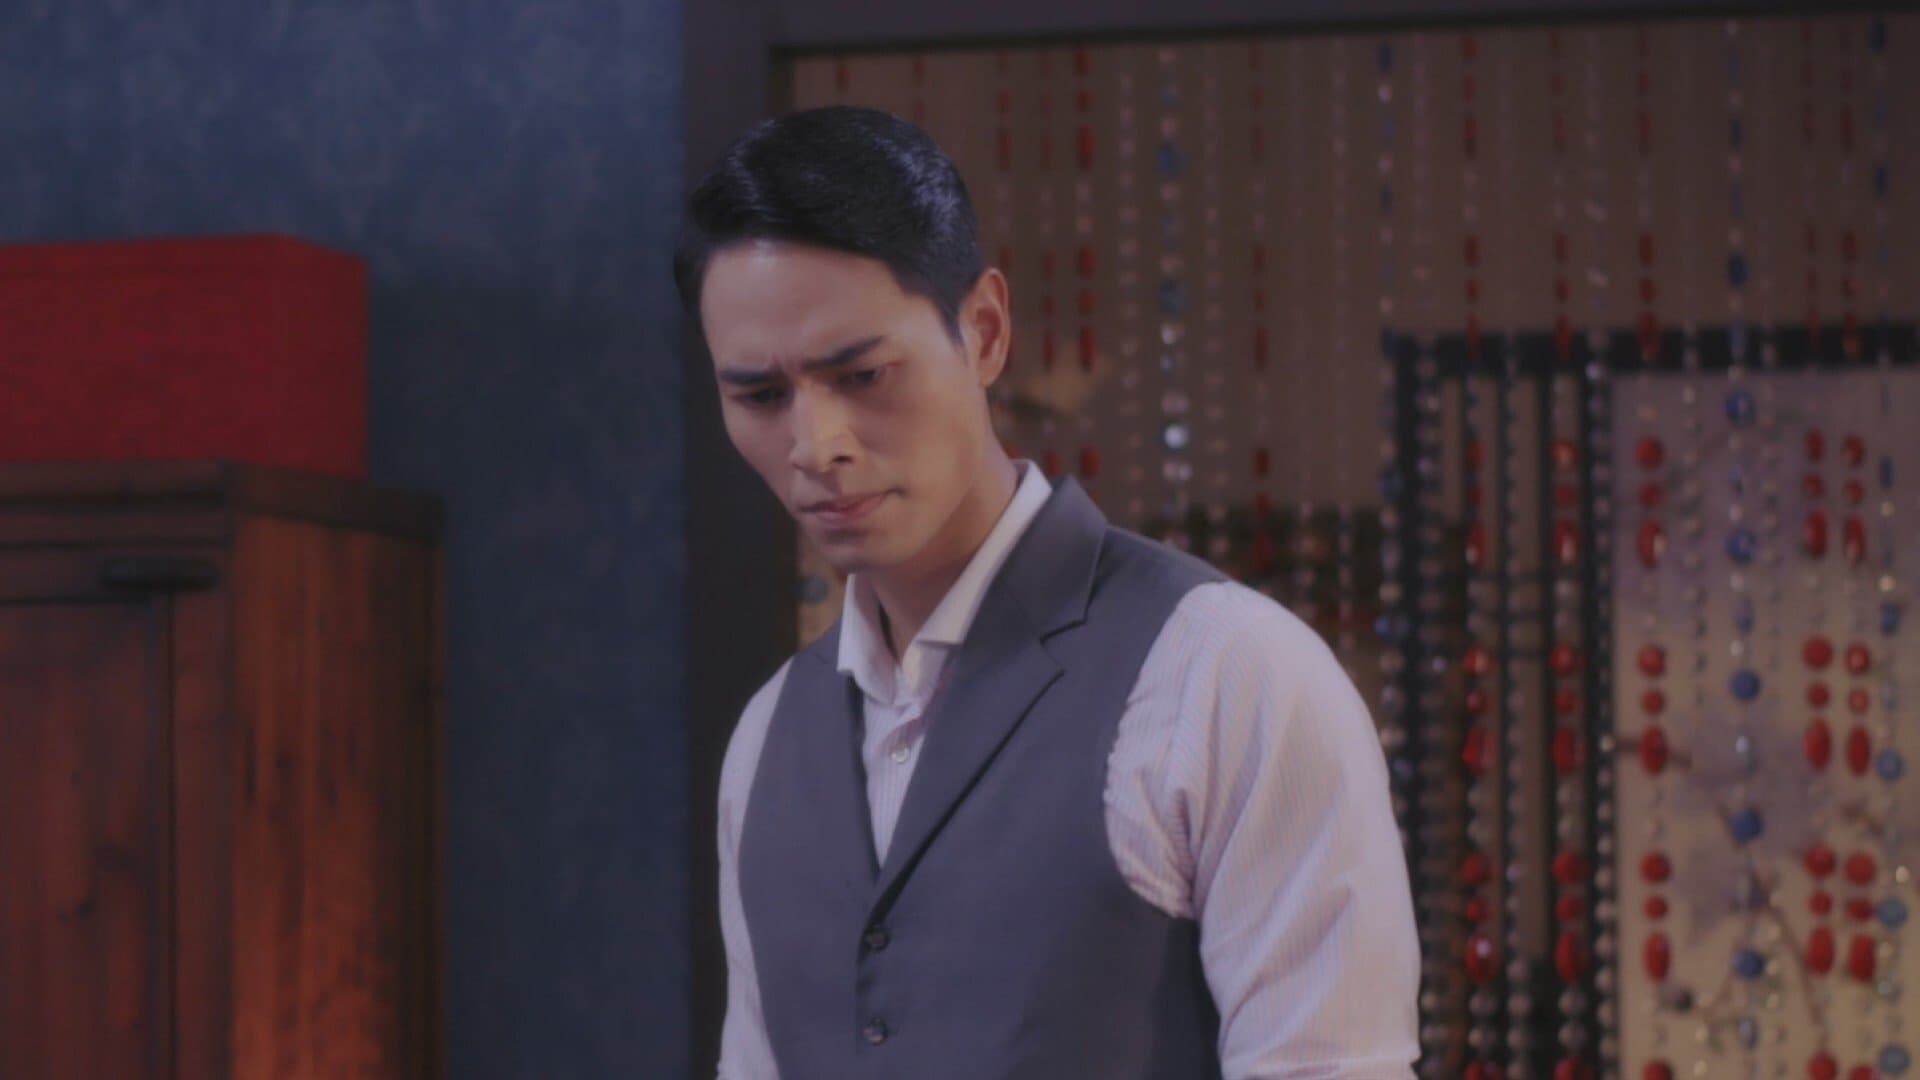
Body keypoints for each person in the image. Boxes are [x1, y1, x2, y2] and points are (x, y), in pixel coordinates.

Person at [673, 104, 1420, 1079]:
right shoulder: (768, 738)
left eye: (862, 375)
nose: (817, 446)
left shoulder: (1230, 675)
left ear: (984, 332)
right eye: (760, 396)